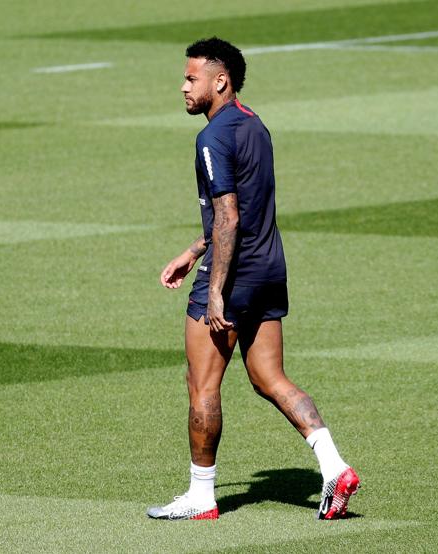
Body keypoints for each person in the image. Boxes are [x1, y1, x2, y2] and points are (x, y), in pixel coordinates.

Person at [147, 37, 359, 521]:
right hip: (268, 269)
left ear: (220, 81)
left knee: (202, 384)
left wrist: (215, 291)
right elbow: (244, 209)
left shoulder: (211, 138)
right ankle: (335, 467)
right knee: (269, 378)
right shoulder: (255, 126)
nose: (183, 87)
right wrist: (192, 250)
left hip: (233, 275)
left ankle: (201, 495)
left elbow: (229, 218)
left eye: (191, 78)